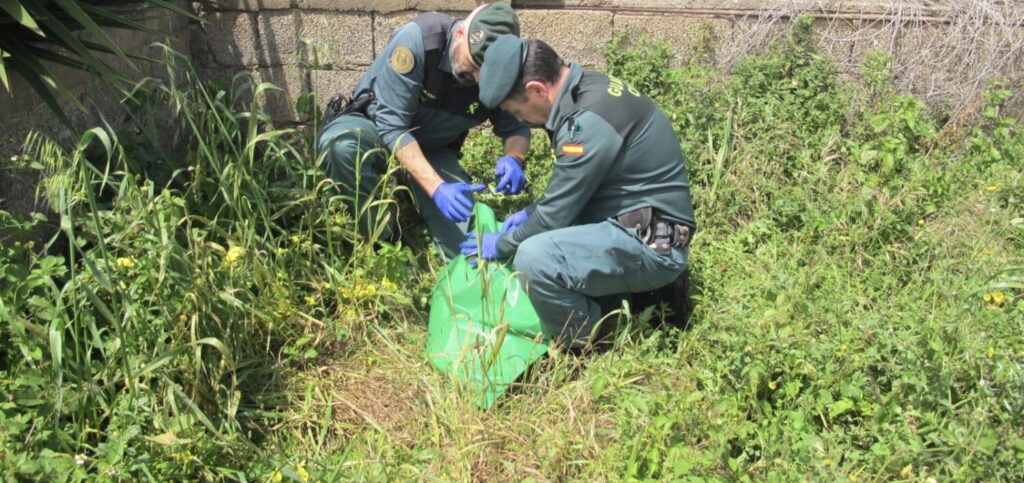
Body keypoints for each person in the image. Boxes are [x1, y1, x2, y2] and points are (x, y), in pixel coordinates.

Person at [460, 35, 697, 349]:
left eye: (517, 112)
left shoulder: (585, 124)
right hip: (641, 223)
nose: (521, 121)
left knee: (534, 258)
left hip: (653, 245)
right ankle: (618, 304)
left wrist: (502, 243)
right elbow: (573, 193)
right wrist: (531, 214)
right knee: (537, 235)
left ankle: (587, 347)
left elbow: (554, 218)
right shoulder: (587, 87)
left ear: (536, 90)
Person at [316, 2, 531, 258]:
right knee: (340, 145)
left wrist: (514, 158)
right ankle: (385, 240)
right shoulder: (420, 41)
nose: (476, 78)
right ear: (460, 33)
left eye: (484, 72)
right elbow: (393, 127)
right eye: (473, 65)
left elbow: (515, 126)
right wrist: (437, 188)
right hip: (375, 129)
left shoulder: (498, 72)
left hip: (434, 150)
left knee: (468, 245)